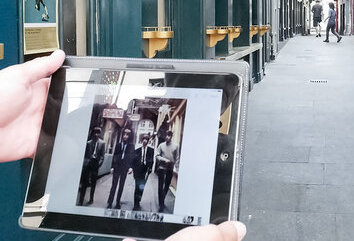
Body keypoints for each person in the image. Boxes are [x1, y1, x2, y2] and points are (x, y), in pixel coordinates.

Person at [0, 50, 246, 241]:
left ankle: (134, 201)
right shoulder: (129, 143)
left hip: (149, 170)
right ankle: (114, 202)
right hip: (125, 168)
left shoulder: (160, 147)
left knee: (145, 194)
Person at [107, 127, 135, 209]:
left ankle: (118, 202)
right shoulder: (118, 145)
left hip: (124, 168)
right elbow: (114, 156)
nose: (125, 136)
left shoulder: (131, 146)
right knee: (113, 186)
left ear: (129, 136)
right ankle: (110, 202)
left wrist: (130, 167)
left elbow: (131, 158)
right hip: (116, 167)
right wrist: (112, 167)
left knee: (121, 186)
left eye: (127, 135)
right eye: (124, 134)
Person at [78, 126, 106, 205]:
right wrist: (85, 163)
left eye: (98, 133)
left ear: (100, 134)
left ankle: (91, 199)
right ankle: (81, 200)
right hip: (88, 164)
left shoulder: (102, 143)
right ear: (93, 133)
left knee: (93, 183)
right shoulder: (89, 143)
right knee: (84, 183)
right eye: (95, 132)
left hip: (95, 164)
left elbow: (102, 156)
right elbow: (85, 155)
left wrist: (99, 164)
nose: (96, 134)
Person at [156, 130, 179, 212]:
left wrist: (176, 168)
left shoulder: (175, 146)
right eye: (166, 135)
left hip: (170, 168)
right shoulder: (161, 145)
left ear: (171, 136)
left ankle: (162, 199)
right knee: (160, 186)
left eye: (169, 135)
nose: (167, 137)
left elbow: (177, 158)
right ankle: (161, 204)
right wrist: (164, 160)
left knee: (166, 186)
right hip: (162, 168)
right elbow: (157, 156)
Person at [133, 135, 154, 210]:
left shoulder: (151, 150)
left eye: (146, 139)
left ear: (148, 141)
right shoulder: (137, 150)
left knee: (142, 187)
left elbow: (152, 160)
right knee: (137, 187)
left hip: (145, 171)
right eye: (143, 139)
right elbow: (134, 161)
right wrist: (133, 171)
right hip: (138, 171)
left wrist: (150, 169)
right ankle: (135, 203)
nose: (145, 141)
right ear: (142, 140)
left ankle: (138, 200)